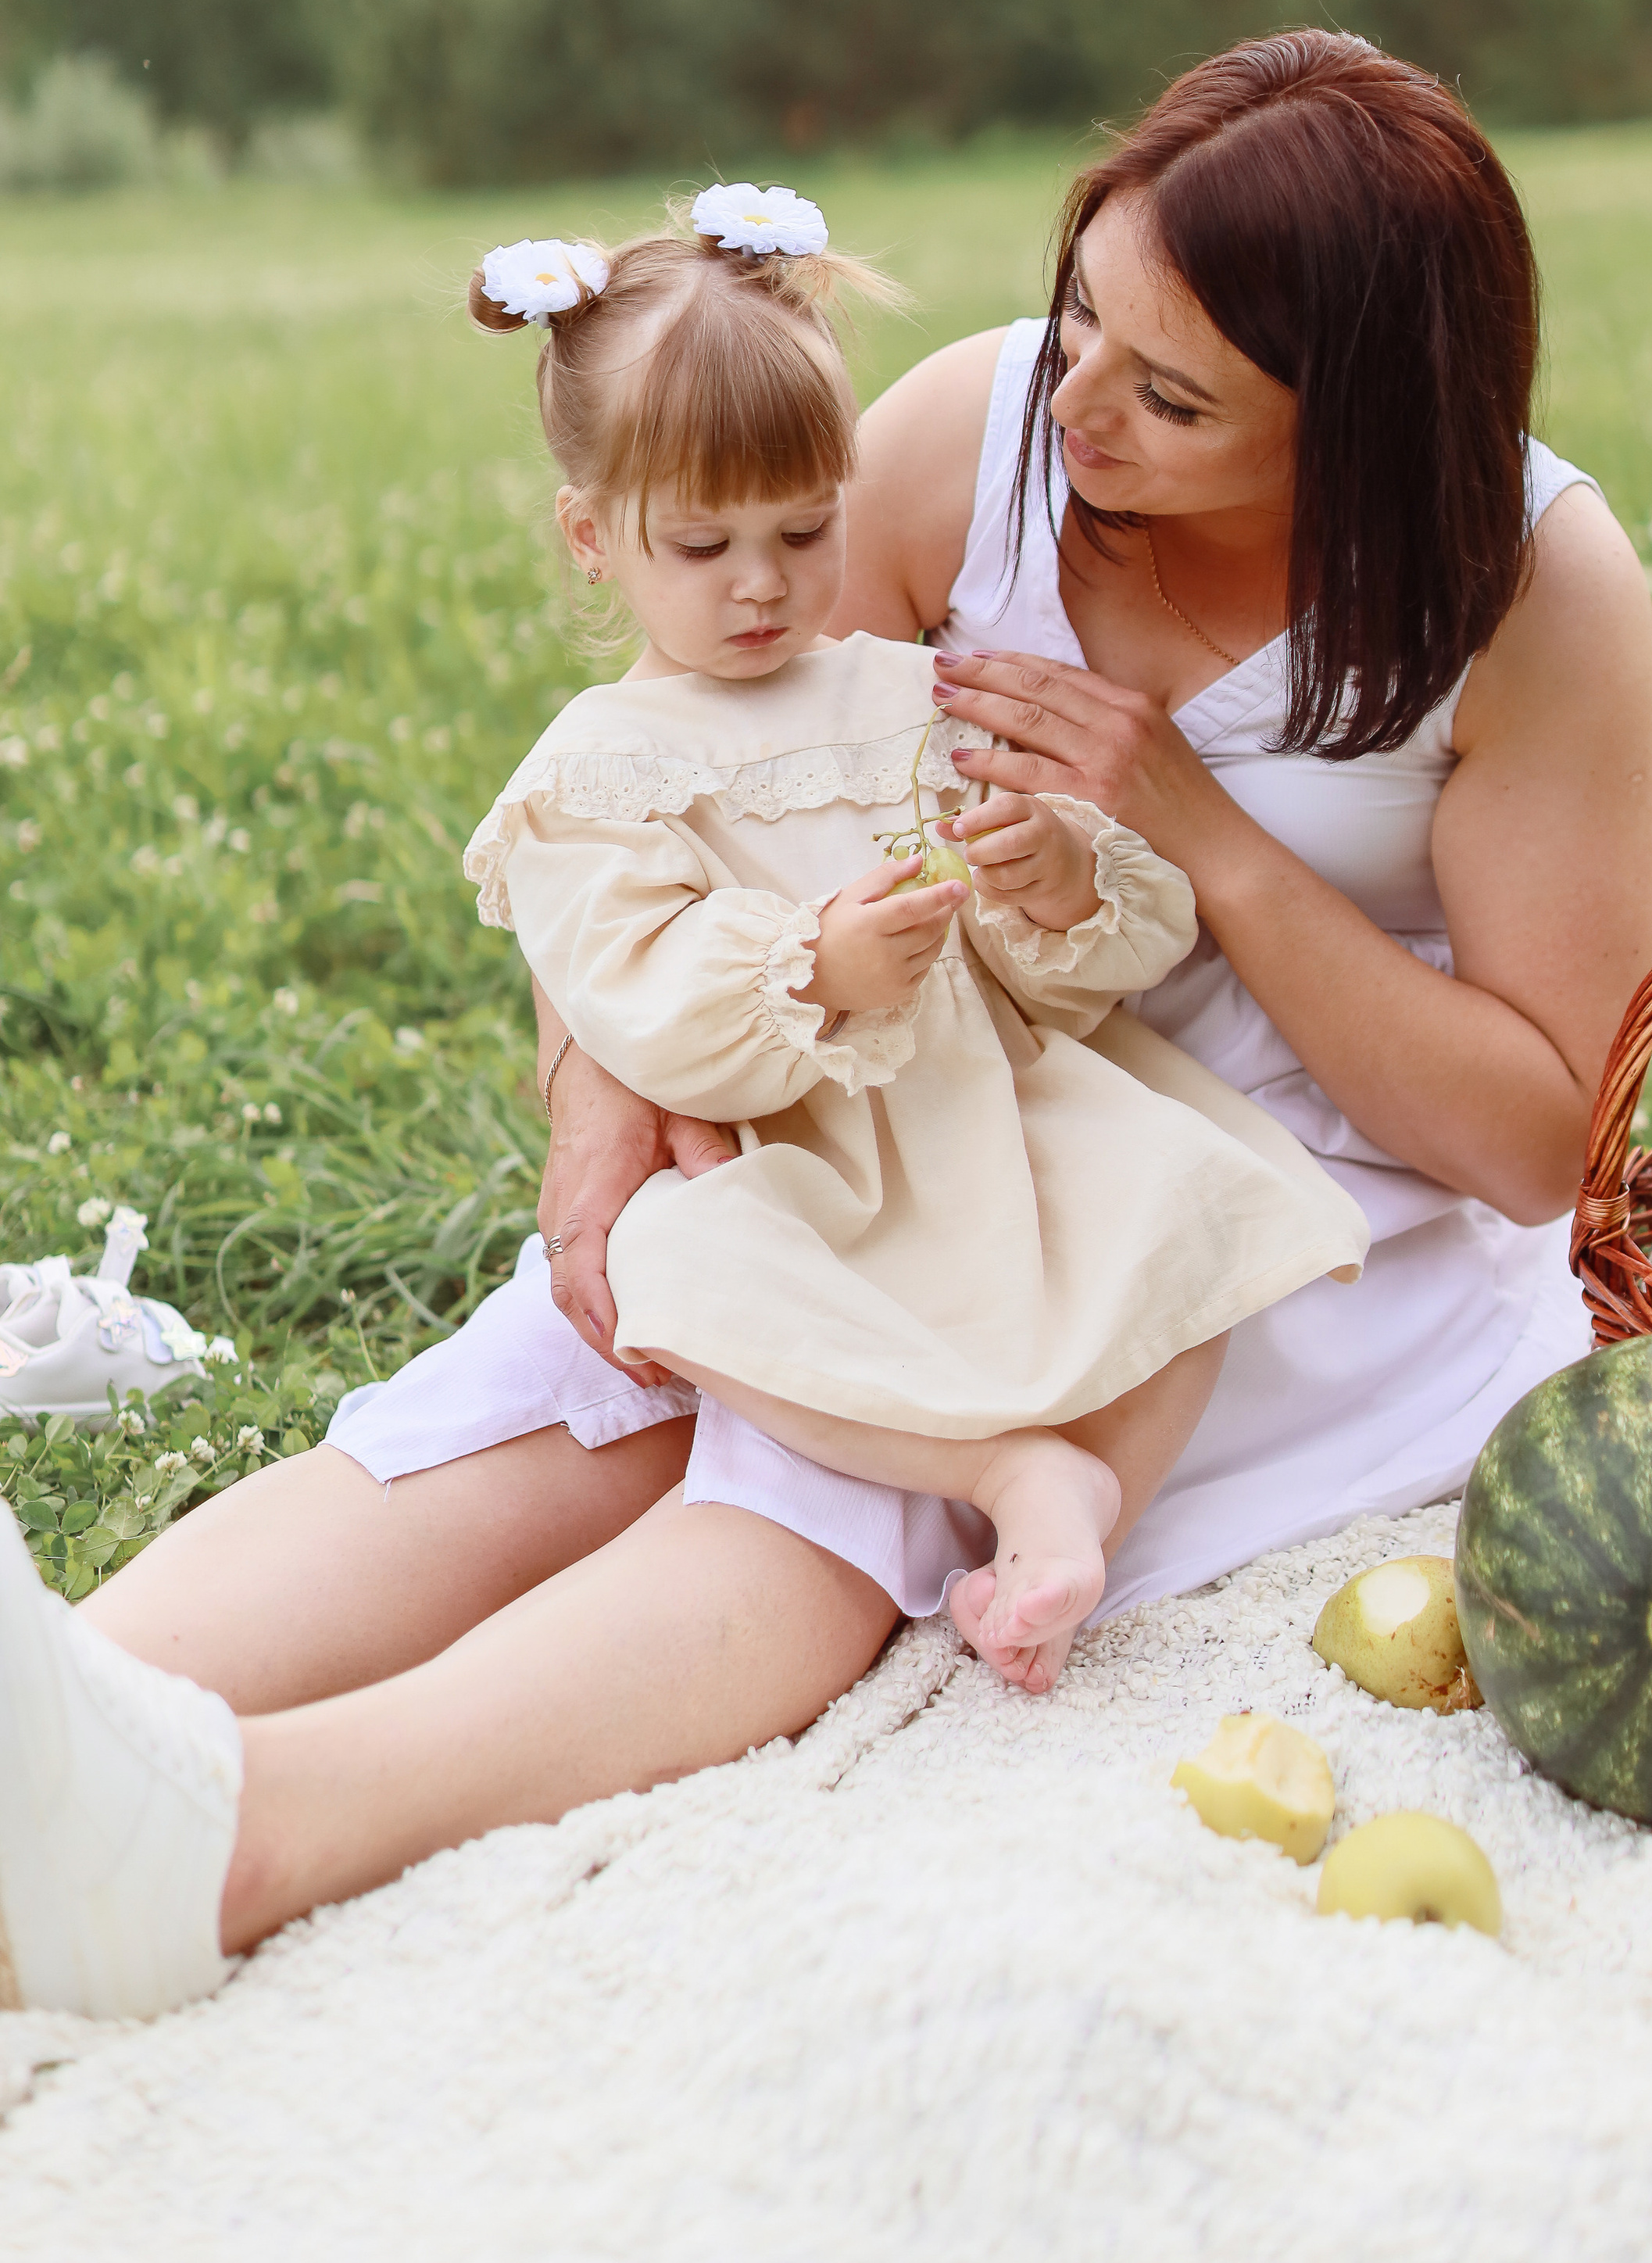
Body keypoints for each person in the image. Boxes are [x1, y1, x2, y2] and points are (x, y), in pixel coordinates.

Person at [0, 30, 1652, 2021]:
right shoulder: (984, 435)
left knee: (845, 1470)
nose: (1080, 409)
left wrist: (1193, 834)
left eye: (1169, 391)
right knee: (582, 1366)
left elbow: (1538, 1138)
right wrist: (599, 1098)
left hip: (1263, 1200)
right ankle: (59, 1723)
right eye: (1077, 319)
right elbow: (674, 771)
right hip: (898, 1061)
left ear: (1368, 425)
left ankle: (245, 1837)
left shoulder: (1528, 591)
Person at [425, 195, 1362, 1691]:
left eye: (806, 531)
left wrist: (1051, 880)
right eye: (704, 543)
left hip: (978, 1112)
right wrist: (810, 968)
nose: (761, 583)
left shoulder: (911, 692)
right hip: (791, 1156)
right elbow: (634, 997)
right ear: (592, 538)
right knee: (681, 1278)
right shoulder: (592, 772)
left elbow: (1080, 952)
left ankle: (1085, 1485)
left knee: (1185, 1202)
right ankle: (1009, 1473)